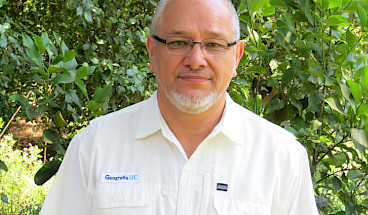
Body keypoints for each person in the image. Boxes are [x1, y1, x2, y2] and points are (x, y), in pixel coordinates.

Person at [40, 0, 319, 214]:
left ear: (237, 56)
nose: (196, 59)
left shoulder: (283, 157)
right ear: (151, 51)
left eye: (214, 44)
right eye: (178, 42)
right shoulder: (95, 146)